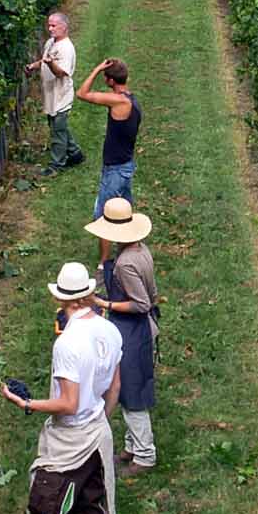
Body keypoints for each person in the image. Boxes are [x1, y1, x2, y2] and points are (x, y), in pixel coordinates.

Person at [2, 261, 121, 514]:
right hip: (97, 438)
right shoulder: (109, 329)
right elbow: (114, 388)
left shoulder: (67, 343)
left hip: (68, 444)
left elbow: (67, 404)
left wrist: (27, 403)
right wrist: (98, 420)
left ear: (59, 298)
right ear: (87, 294)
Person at [87, 197, 159, 475]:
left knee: (131, 392)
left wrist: (104, 304)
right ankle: (132, 446)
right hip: (140, 328)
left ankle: (144, 455)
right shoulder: (141, 250)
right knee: (133, 385)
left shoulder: (125, 265)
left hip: (132, 330)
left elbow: (140, 303)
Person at [78, 57, 140, 224]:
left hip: (115, 169)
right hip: (126, 164)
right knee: (125, 215)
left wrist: (97, 69)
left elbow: (82, 93)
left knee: (102, 219)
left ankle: (105, 252)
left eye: (105, 76)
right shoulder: (130, 99)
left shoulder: (118, 101)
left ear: (111, 80)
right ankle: (130, 248)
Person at [25, 12, 85, 177]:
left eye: (53, 25)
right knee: (58, 127)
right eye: (49, 25)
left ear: (64, 27)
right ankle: (75, 154)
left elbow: (60, 73)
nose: (50, 28)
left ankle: (55, 165)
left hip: (61, 95)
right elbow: (45, 60)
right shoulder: (51, 42)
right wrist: (33, 66)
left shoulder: (67, 48)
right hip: (51, 94)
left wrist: (51, 64)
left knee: (57, 130)